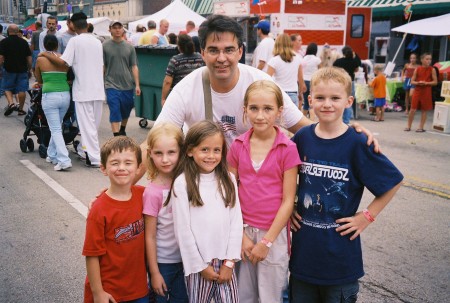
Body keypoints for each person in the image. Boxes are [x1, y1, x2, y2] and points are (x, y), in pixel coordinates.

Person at [141, 14, 378, 181]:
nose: (221, 57)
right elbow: (155, 140)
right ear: (203, 53)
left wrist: (347, 134)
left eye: (228, 50)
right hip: (205, 179)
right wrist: (121, 184)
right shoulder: (187, 87)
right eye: (213, 50)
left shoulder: (260, 83)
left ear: (240, 52)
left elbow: (302, 127)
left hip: (252, 181)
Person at [290, 67, 403, 302]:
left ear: (349, 101)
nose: (327, 104)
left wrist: (367, 216)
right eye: (320, 98)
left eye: (335, 98)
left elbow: (393, 181)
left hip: (340, 262)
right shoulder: (302, 138)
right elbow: (281, 172)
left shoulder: (358, 142)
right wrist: (289, 206)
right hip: (303, 258)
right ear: (310, 100)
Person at [227, 80, 300, 302]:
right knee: (244, 295)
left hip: (273, 235)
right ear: (245, 110)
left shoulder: (287, 148)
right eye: (254, 108)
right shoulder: (238, 145)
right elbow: (230, 194)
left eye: (267, 109)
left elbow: (288, 200)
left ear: (279, 111)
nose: (260, 115)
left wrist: (266, 242)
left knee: (271, 296)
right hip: (242, 232)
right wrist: (240, 236)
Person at [170, 120, 243, 302]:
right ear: (189, 151)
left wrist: (230, 261)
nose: (211, 156)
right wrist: (200, 266)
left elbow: (236, 221)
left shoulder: (228, 179)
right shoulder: (182, 183)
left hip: (226, 262)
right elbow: (183, 231)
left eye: (216, 150)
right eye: (204, 149)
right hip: (199, 265)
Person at [82, 136, 148, 303]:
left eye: (128, 163)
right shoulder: (99, 209)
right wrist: (98, 293)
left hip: (138, 289)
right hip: (109, 292)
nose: (121, 168)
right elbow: (91, 255)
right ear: (103, 168)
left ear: (139, 167)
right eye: (115, 163)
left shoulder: (143, 195)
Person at [40, 12, 105, 167]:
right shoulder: (97, 42)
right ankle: (84, 151)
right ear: (87, 24)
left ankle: (95, 158)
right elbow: (102, 67)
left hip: (83, 90)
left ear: (73, 25)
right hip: (98, 89)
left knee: (86, 126)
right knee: (93, 125)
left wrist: (45, 55)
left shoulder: (75, 41)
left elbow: (64, 63)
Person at [143, 123, 189, 303]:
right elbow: (150, 236)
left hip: (186, 260)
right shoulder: (152, 193)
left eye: (171, 152)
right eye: (158, 153)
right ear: (150, 154)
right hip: (163, 263)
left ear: (181, 152)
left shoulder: (187, 183)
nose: (165, 159)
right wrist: (154, 272)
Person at [34, 35, 72, 171]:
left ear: (44, 45)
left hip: (50, 95)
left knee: (55, 129)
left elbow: (38, 78)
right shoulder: (63, 58)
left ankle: (64, 160)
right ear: (57, 45)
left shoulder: (40, 59)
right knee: (57, 126)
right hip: (65, 95)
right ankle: (52, 154)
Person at [103, 20, 140, 137]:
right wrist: (100, 83)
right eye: (115, 28)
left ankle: (122, 128)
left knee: (126, 109)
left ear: (123, 30)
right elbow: (103, 65)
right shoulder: (104, 46)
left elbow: (134, 66)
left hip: (127, 84)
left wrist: (137, 84)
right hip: (111, 84)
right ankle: (116, 137)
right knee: (114, 110)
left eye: (120, 27)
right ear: (110, 30)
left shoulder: (129, 47)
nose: (118, 30)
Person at [161, 34, 204, 106]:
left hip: (179, 97)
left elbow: (167, 82)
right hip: (197, 96)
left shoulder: (175, 60)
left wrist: (163, 98)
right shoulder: (201, 58)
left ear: (180, 47)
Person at [0, 24, 32, 117]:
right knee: (22, 89)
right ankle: (21, 109)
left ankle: (11, 103)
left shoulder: (4, 42)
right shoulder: (24, 42)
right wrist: (29, 68)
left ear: (8, 31)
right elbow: (29, 58)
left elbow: (1, 57)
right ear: (18, 31)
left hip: (8, 69)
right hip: (22, 70)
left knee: (6, 87)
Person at [267, 33, 305, 108]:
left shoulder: (274, 60)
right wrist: (300, 94)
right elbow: (301, 80)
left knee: (279, 119)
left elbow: (267, 79)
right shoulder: (297, 58)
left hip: (279, 95)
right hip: (293, 95)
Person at [405, 53, 438, 133]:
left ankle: (421, 127)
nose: (429, 61)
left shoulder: (432, 69)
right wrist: (418, 83)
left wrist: (426, 83)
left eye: (430, 59)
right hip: (418, 90)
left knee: (424, 110)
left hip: (426, 91)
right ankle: (408, 126)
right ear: (422, 60)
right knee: (412, 109)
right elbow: (412, 81)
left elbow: (435, 82)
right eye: (427, 59)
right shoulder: (418, 69)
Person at [333, 45, 361, 124]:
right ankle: (346, 121)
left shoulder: (338, 61)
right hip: (350, 82)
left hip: (340, 82)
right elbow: (357, 67)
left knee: (338, 99)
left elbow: (333, 70)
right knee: (348, 100)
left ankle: (337, 119)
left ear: (343, 53)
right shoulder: (354, 61)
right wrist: (355, 54)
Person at [301, 43, 321, 120]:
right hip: (313, 81)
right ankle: (312, 122)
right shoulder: (317, 59)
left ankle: (303, 120)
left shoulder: (304, 58)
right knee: (312, 102)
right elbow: (321, 70)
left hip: (304, 81)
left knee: (306, 102)